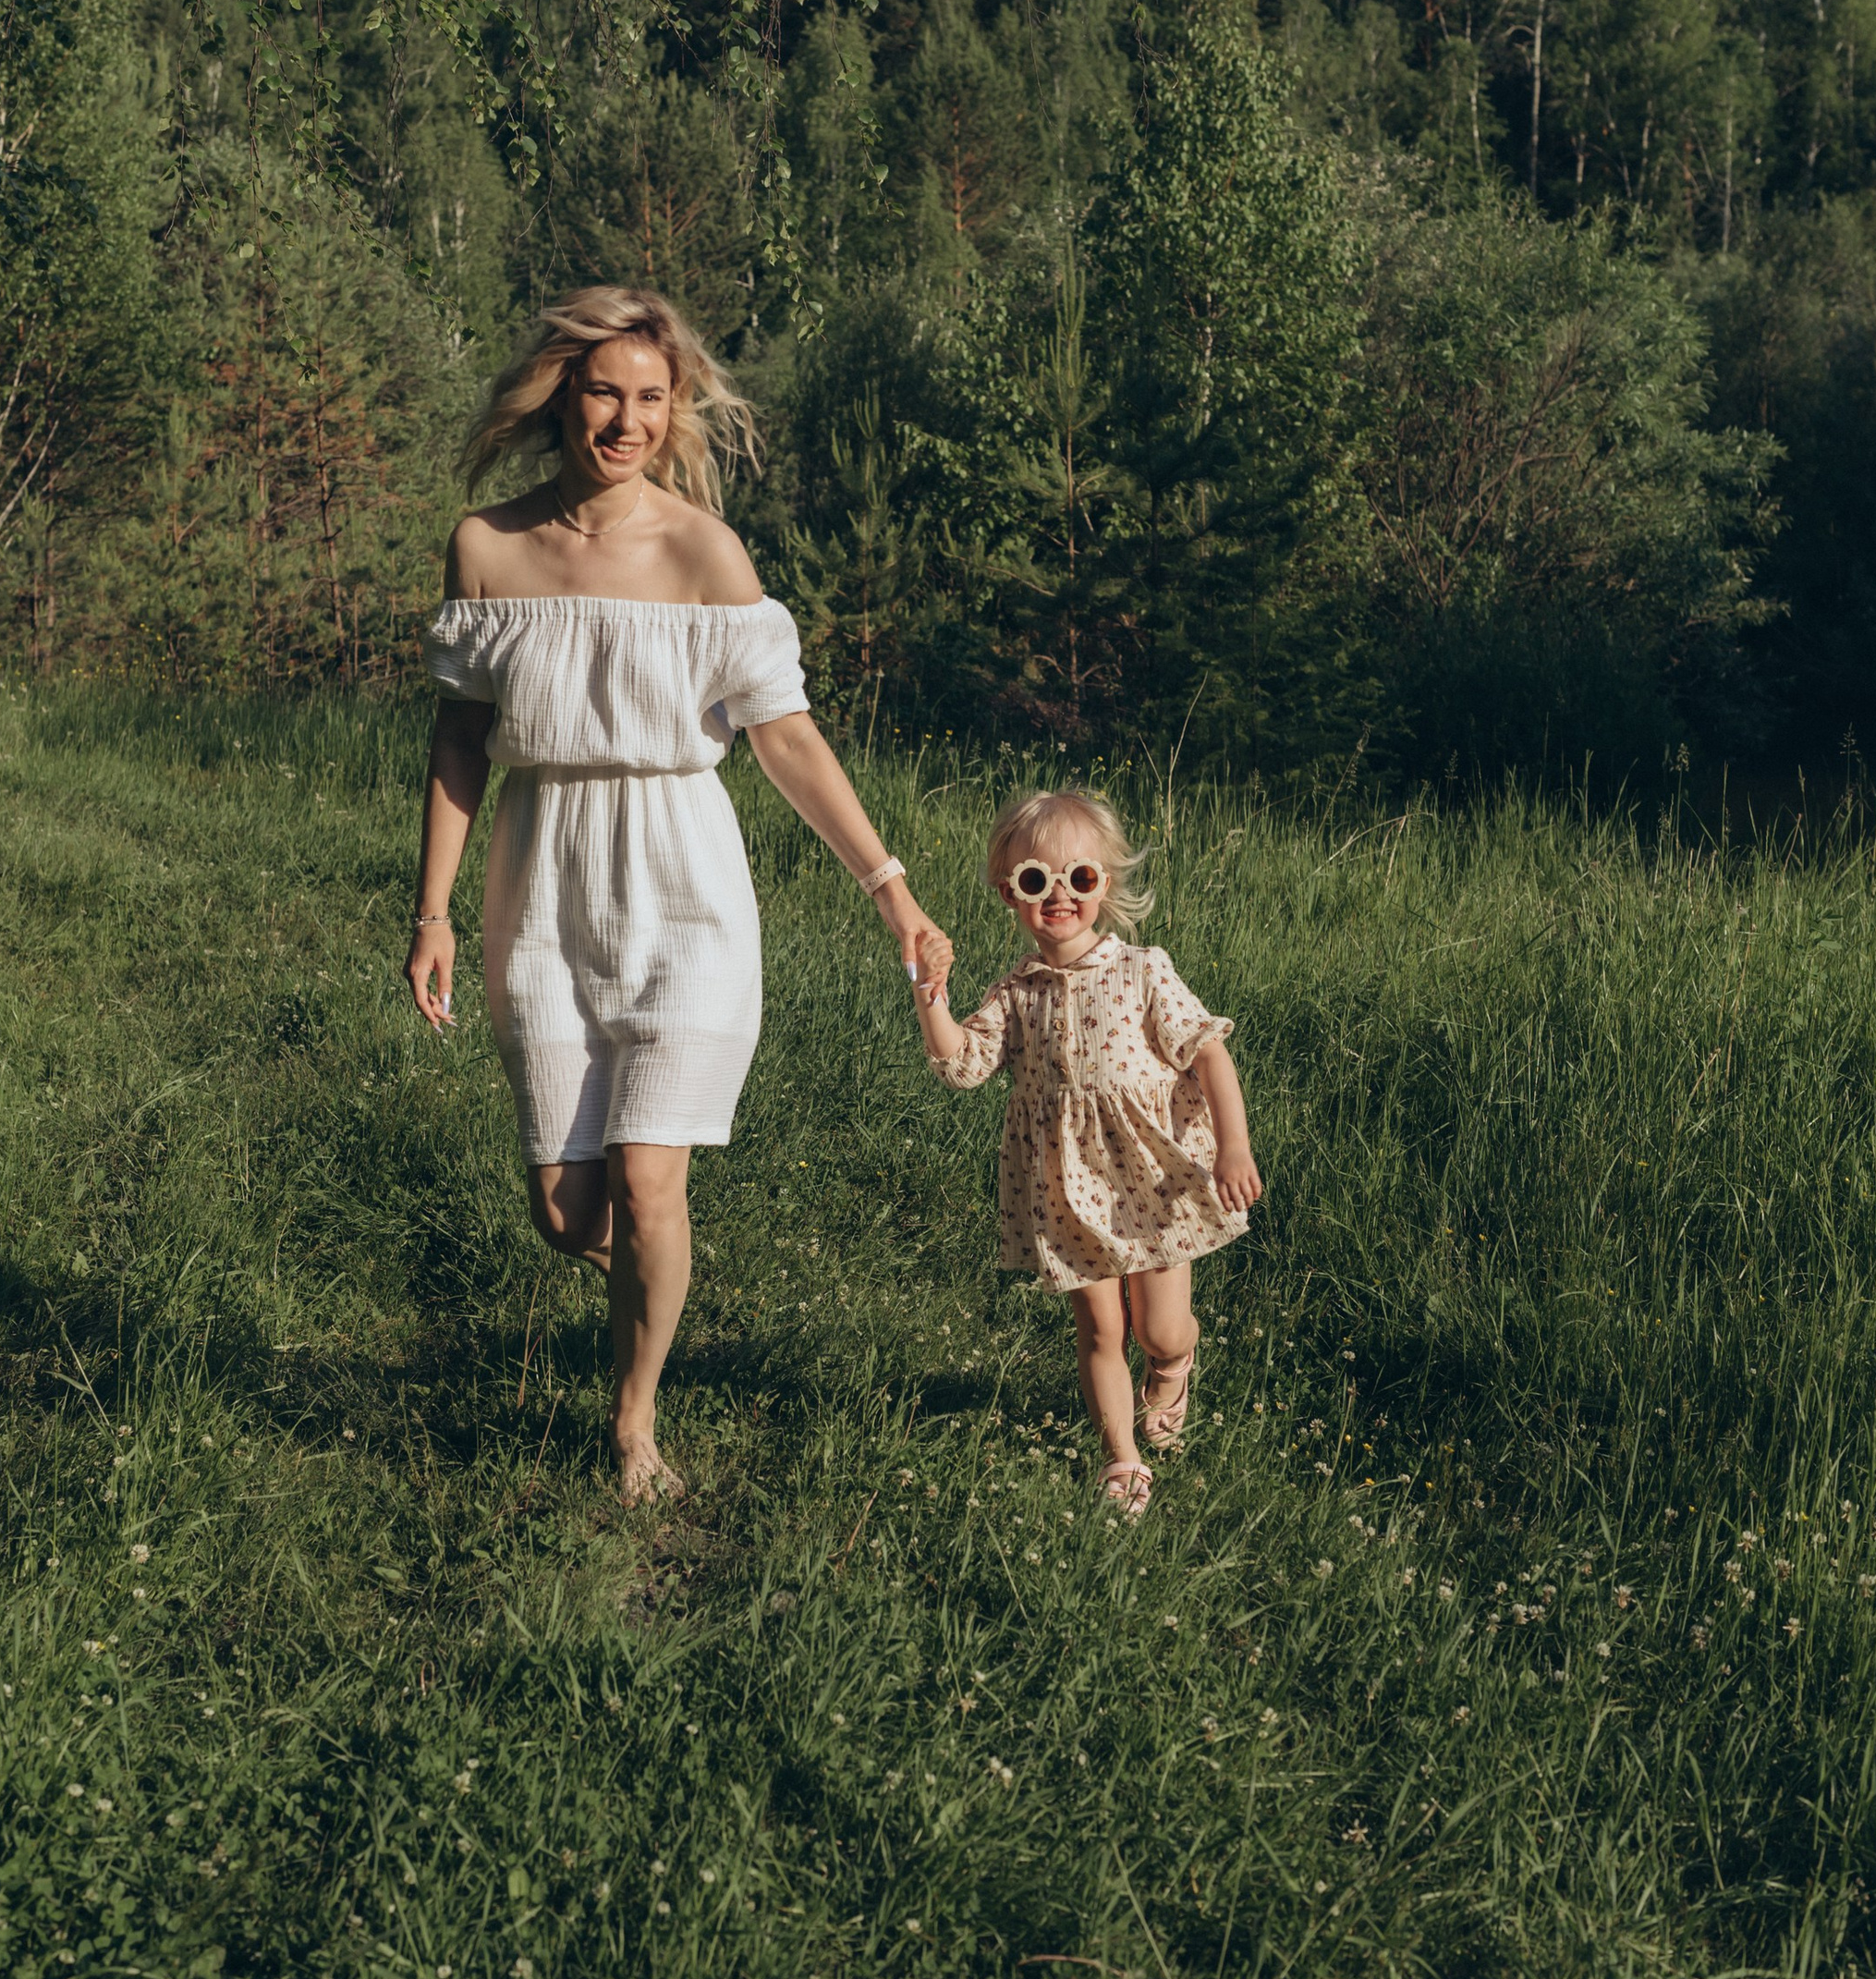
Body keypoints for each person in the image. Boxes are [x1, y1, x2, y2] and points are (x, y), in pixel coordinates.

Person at [403, 286, 954, 1508]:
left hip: (686, 884)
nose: (628, 420)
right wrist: (432, 913)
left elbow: (789, 741)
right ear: (561, 394)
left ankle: (634, 1423)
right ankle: (660, 1271)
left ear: (675, 408)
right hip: (542, 883)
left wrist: (893, 890)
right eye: (606, 392)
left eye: (652, 398)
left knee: (653, 1181)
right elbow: (458, 739)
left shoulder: (707, 554)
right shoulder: (487, 545)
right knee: (564, 1209)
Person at [911, 788, 1261, 1521]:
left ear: (1105, 885)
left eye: (1080, 878)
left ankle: (1173, 1365)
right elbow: (962, 1066)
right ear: (1011, 894)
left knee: (1159, 1327)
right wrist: (931, 997)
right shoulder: (1016, 992)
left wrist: (1233, 1146)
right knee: (1102, 1328)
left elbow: (1210, 1055)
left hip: (1155, 1180)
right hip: (1066, 1189)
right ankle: (1121, 1457)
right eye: (1037, 881)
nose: (1060, 895)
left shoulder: (1145, 970)